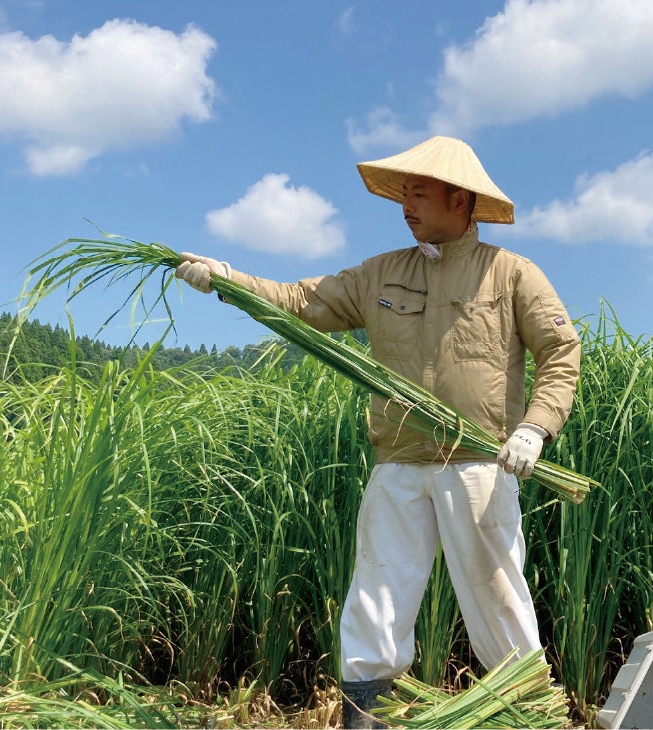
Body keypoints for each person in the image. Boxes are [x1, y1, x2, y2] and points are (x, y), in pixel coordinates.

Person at [175, 136, 581, 729]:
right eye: (403, 195)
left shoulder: (511, 274)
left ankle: (529, 715)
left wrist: (535, 429)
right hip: (399, 461)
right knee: (377, 595)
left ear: (460, 200)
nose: (406, 206)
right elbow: (302, 301)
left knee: (498, 597)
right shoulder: (382, 273)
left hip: (478, 463)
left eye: (419, 194)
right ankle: (367, 719)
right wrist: (229, 280)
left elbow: (561, 352)